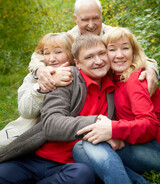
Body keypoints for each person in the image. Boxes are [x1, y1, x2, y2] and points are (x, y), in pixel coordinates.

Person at [0, 34, 148, 184]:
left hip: (70, 166)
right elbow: (51, 124)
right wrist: (97, 123)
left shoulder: (115, 84)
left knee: (82, 175)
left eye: (102, 54)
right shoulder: (66, 78)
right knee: (4, 173)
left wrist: (152, 70)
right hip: (36, 158)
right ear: (77, 63)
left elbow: (130, 54)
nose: (98, 61)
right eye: (89, 57)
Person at [73, 27, 160, 181]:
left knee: (87, 146)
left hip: (155, 149)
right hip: (140, 144)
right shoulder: (115, 79)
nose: (119, 55)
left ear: (133, 52)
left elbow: (150, 125)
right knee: (84, 147)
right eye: (112, 50)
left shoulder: (135, 80)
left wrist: (113, 130)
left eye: (125, 48)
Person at [28, 0, 158, 96]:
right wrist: (39, 70)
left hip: (111, 91)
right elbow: (39, 55)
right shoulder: (68, 38)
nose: (91, 25)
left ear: (101, 16)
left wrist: (151, 70)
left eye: (95, 18)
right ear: (76, 19)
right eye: (85, 20)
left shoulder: (113, 34)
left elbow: (139, 56)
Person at [0, 32, 73, 149]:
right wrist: (43, 86)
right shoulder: (32, 78)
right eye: (46, 53)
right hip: (28, 135)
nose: (52, 58)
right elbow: (25, 112)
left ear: (70, 53)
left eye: (58, 52)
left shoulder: (79, 75)